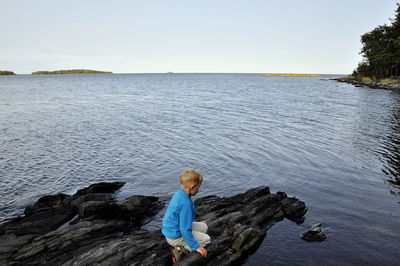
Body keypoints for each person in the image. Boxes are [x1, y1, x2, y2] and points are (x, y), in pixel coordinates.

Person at [162, 169, 211, 261]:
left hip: (172, 229)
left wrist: (195, 223)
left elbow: (184, 219)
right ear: (192, 187)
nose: (199, 189)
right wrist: (196, 247)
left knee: (204, 227)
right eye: (198, 187)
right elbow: (184, 230)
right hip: (175, 236)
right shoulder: (185, 204)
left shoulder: (180, 194)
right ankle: (180, 250)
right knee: (206, 239)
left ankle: (186, 243)